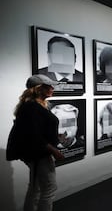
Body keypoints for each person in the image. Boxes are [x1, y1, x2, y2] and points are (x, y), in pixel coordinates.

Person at [13, 74, 65, 211]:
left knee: (35, 188)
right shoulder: (32, 107)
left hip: (37, 153)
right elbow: (33, 135)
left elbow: (37, 129)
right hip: (39, 154)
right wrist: (54, 150)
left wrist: (55, 136)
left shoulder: (35, 105)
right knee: (49, 189)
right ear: (39, 89)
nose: (52, 89)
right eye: (49, 86)